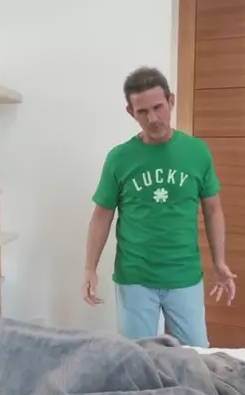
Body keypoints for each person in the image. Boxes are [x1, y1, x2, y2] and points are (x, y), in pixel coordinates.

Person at [82, 66, 236, 348]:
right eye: (143, 112)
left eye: (158, 107)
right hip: (135, 278)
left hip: (184, 275)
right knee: (138, 360)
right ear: (130, 112)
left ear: (171, 101)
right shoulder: (119, 158)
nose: (152, 119)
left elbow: (213, 210)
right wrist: (90, 269)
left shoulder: (196, 152)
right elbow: (101, 216)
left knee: (194, 356)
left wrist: (219, 262)